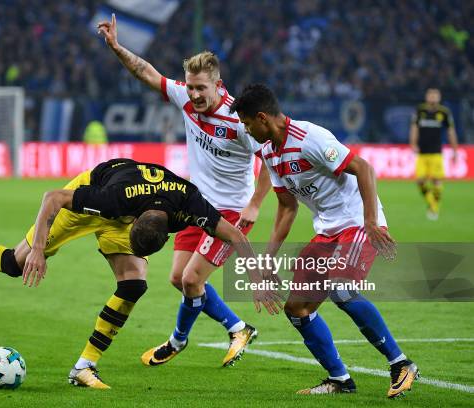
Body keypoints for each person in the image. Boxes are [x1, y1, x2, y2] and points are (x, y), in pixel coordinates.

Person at [0, 158, 279, 389]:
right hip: (88, 197)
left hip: (131, 211)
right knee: (16, 263)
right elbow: (51, 198)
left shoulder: (189, 200)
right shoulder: (110, 200)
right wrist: (39, 250)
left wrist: (258, 273)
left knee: (134, 283)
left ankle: (84, 368)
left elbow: (232, 233)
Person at [98, 14, 272, 368]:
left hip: (230, 212)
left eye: (200, 89)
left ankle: (179, 340)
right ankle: (239, 327)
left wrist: (255, 204)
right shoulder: (186, 100)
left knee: (192, 280)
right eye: (190, 88)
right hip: (195, 205)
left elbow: (270, 159)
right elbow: (146, 72)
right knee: (178, 279)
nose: (193, 95)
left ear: (218, 85)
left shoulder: (239, 121)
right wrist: (117, 48)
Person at [230, 84, 418, 398]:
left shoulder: (309, 139)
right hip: (328, 229)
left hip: (356, 222)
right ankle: (340, 380)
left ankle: (400, 363)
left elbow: (363, 168)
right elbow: (287, 208)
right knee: (296, 308)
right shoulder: (268, 152)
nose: (247, 132)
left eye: (248, 124)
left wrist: (371, 221)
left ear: (263, 118)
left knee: (342, 288)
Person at [409, 88, 459, 220]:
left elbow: (451, 131)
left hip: (436, 152)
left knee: (436, 180)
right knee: (420, 181)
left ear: (439, 97)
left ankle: (434, 208)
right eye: (430, 94)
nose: (432, 97)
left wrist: (455, 150)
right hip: (422, 152)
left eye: (435, 95)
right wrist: (413, 143)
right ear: (426, 96)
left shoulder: (444, 112)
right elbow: (414, 128)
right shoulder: (420, 110)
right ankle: (432, 201)